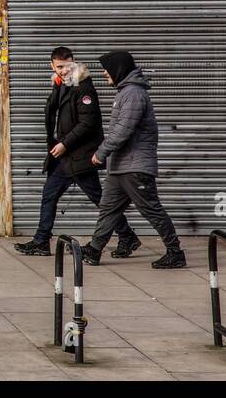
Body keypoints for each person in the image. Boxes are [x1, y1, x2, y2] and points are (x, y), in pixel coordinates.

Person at [15, 48, 140, 257]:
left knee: (98, 198)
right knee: (51, 195)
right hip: (67, 156)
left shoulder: (83, 88)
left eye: (67, 65)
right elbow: (54, 114)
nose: (64, 70)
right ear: (52, 66)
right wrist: (56, 87)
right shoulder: (62, 85)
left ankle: (127, 237)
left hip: (79, 155)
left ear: (74, 62)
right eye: (59, 67)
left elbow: (88, 123)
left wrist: (64, 143)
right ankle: (41, 240)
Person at [82, 50, 185, 269]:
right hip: (120, 166)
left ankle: (175, 252)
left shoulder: (134, 94)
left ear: (118, 70)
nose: (104, 74)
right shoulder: (125, 93)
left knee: (151, 210)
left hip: (135, 165)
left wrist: (101, 153)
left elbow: (122, 130)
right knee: (108, 209)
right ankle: (94, 249)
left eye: (107, 70)